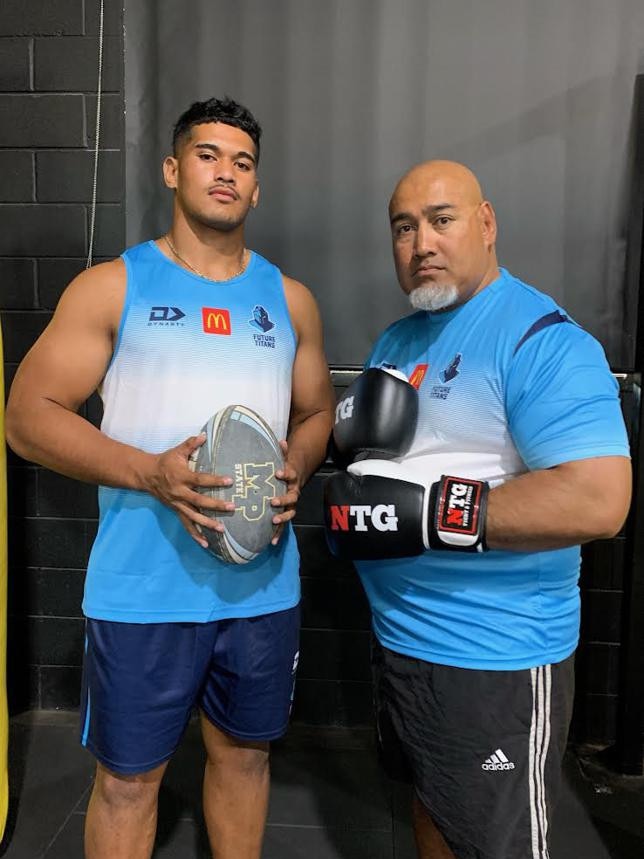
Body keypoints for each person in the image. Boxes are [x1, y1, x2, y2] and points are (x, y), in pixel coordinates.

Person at [6, 97, 335, 859]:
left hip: (260, 586)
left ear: (258, 189)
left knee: (245, 758)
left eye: (242, 162)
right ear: (172, 168)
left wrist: (300, 459)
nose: (226, 172)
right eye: (208, 154)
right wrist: (149, 472)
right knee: (127, 783)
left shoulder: (290, 302)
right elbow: (26, 416)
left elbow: (318, 413)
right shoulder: (112, 287)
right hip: (141, 590)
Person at [323, 160, 632, 859]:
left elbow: (600, 497)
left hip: (493, 659)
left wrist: (430, 510)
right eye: (404, 227)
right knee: (432, 812)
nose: (421, 242)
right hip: (402, 644)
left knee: (499, 846)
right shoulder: (398, 343)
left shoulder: (542, 339)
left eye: (442, 219)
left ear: (487, 224)